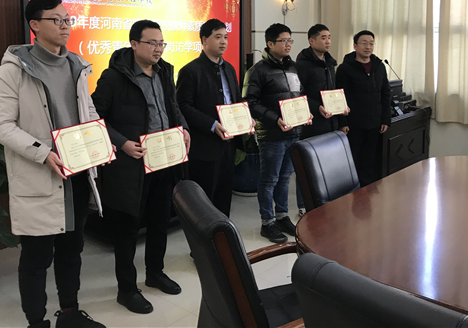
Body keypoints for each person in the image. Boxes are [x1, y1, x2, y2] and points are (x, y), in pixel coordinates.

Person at [0, 0, 106, 328]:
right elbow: (0, 125)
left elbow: (88, 110)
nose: (65, 25)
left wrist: (99, 142)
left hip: (77, 174)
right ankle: (37, 322)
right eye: (57, 20)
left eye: (68, 19)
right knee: (36, 259)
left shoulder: (77, 65)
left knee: (72, 250)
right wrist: (42, 153)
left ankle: (69, 314)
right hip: (40, 175)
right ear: (35, 25)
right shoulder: (13, 69)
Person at [91, 20, 190, 315]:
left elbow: (173, 107)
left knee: (160, 221)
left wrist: (183, 128)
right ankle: (126, 289)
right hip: (131, 166)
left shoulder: (164, 72)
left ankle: (155, 273)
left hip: (164, 160)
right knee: (127, 230)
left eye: (161, 43)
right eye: (152, 43)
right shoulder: (114, 77)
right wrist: (121, 143)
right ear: (134, 44)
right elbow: (94, 116)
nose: (158, 49)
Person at [243, 23, 311, 243]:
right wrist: (275, 119)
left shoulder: (292, 68)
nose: (288, 44)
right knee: (269, 179)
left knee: (284, 179)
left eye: (290, 40)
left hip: (293, 132)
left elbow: (299, 95)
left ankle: (282, 216)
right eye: (283, 40)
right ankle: (267, 222)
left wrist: (305, 113)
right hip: (272, 135)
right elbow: (250, 103)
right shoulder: (257, 71)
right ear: (270, 44)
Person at [176, 19, 252, 217]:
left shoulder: (229, 68)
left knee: (224, 197)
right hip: (205, 147)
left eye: (225, 37)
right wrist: (211, 124)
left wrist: (246, 118)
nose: (223, 42)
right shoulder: (190, 71)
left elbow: (236, 100)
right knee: (203, 202)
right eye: (218, 37)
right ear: (204, 40)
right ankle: (204, 238)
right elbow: (183, 106)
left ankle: (222, 235)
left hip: (229, 144)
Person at [295, 23, 348, 216]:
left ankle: (325, 203)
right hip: (312, 123)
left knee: (327, 164)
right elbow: (298, 94)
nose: (328, 41)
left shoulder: (330, 62)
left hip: (330, 122)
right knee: (307, 166)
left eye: (329, 37)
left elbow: (334, 92)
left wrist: (341, 115)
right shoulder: (302, 65)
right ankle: (303, 205)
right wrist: (317, 106)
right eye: (323, 38)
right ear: (311, 41)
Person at [336, 30, 391, 187]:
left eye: (371, 43)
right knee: (352, 159)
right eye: (364, 43)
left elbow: (386, 94)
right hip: (353, 124)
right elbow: (339, 97)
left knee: (369, 160)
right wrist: (342, 122)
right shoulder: (345, 68)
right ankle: (351, 191)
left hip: (374, 123)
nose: (368, 47)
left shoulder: (379, 67)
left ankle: (366, 192)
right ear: (355, 46)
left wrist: (385, 119)